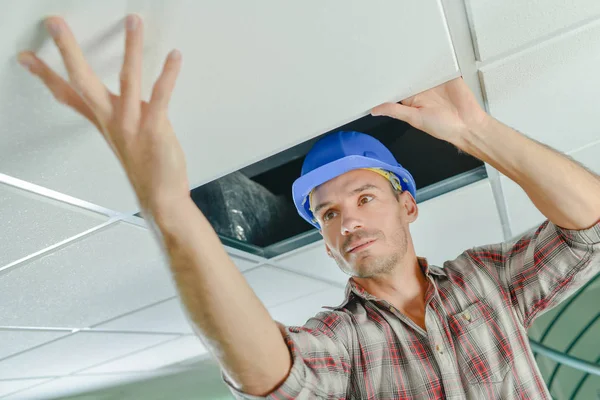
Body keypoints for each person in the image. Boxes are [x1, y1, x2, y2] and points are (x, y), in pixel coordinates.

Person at [16, 15, 599, 400]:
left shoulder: (490, 281)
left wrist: (475, 131)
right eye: (327, 214)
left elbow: (589, 227)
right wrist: (169, 208)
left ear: (408, 207)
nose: (346, 221)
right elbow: (271, 373)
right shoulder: (343, 344)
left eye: (364, 198)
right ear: (323, 238)